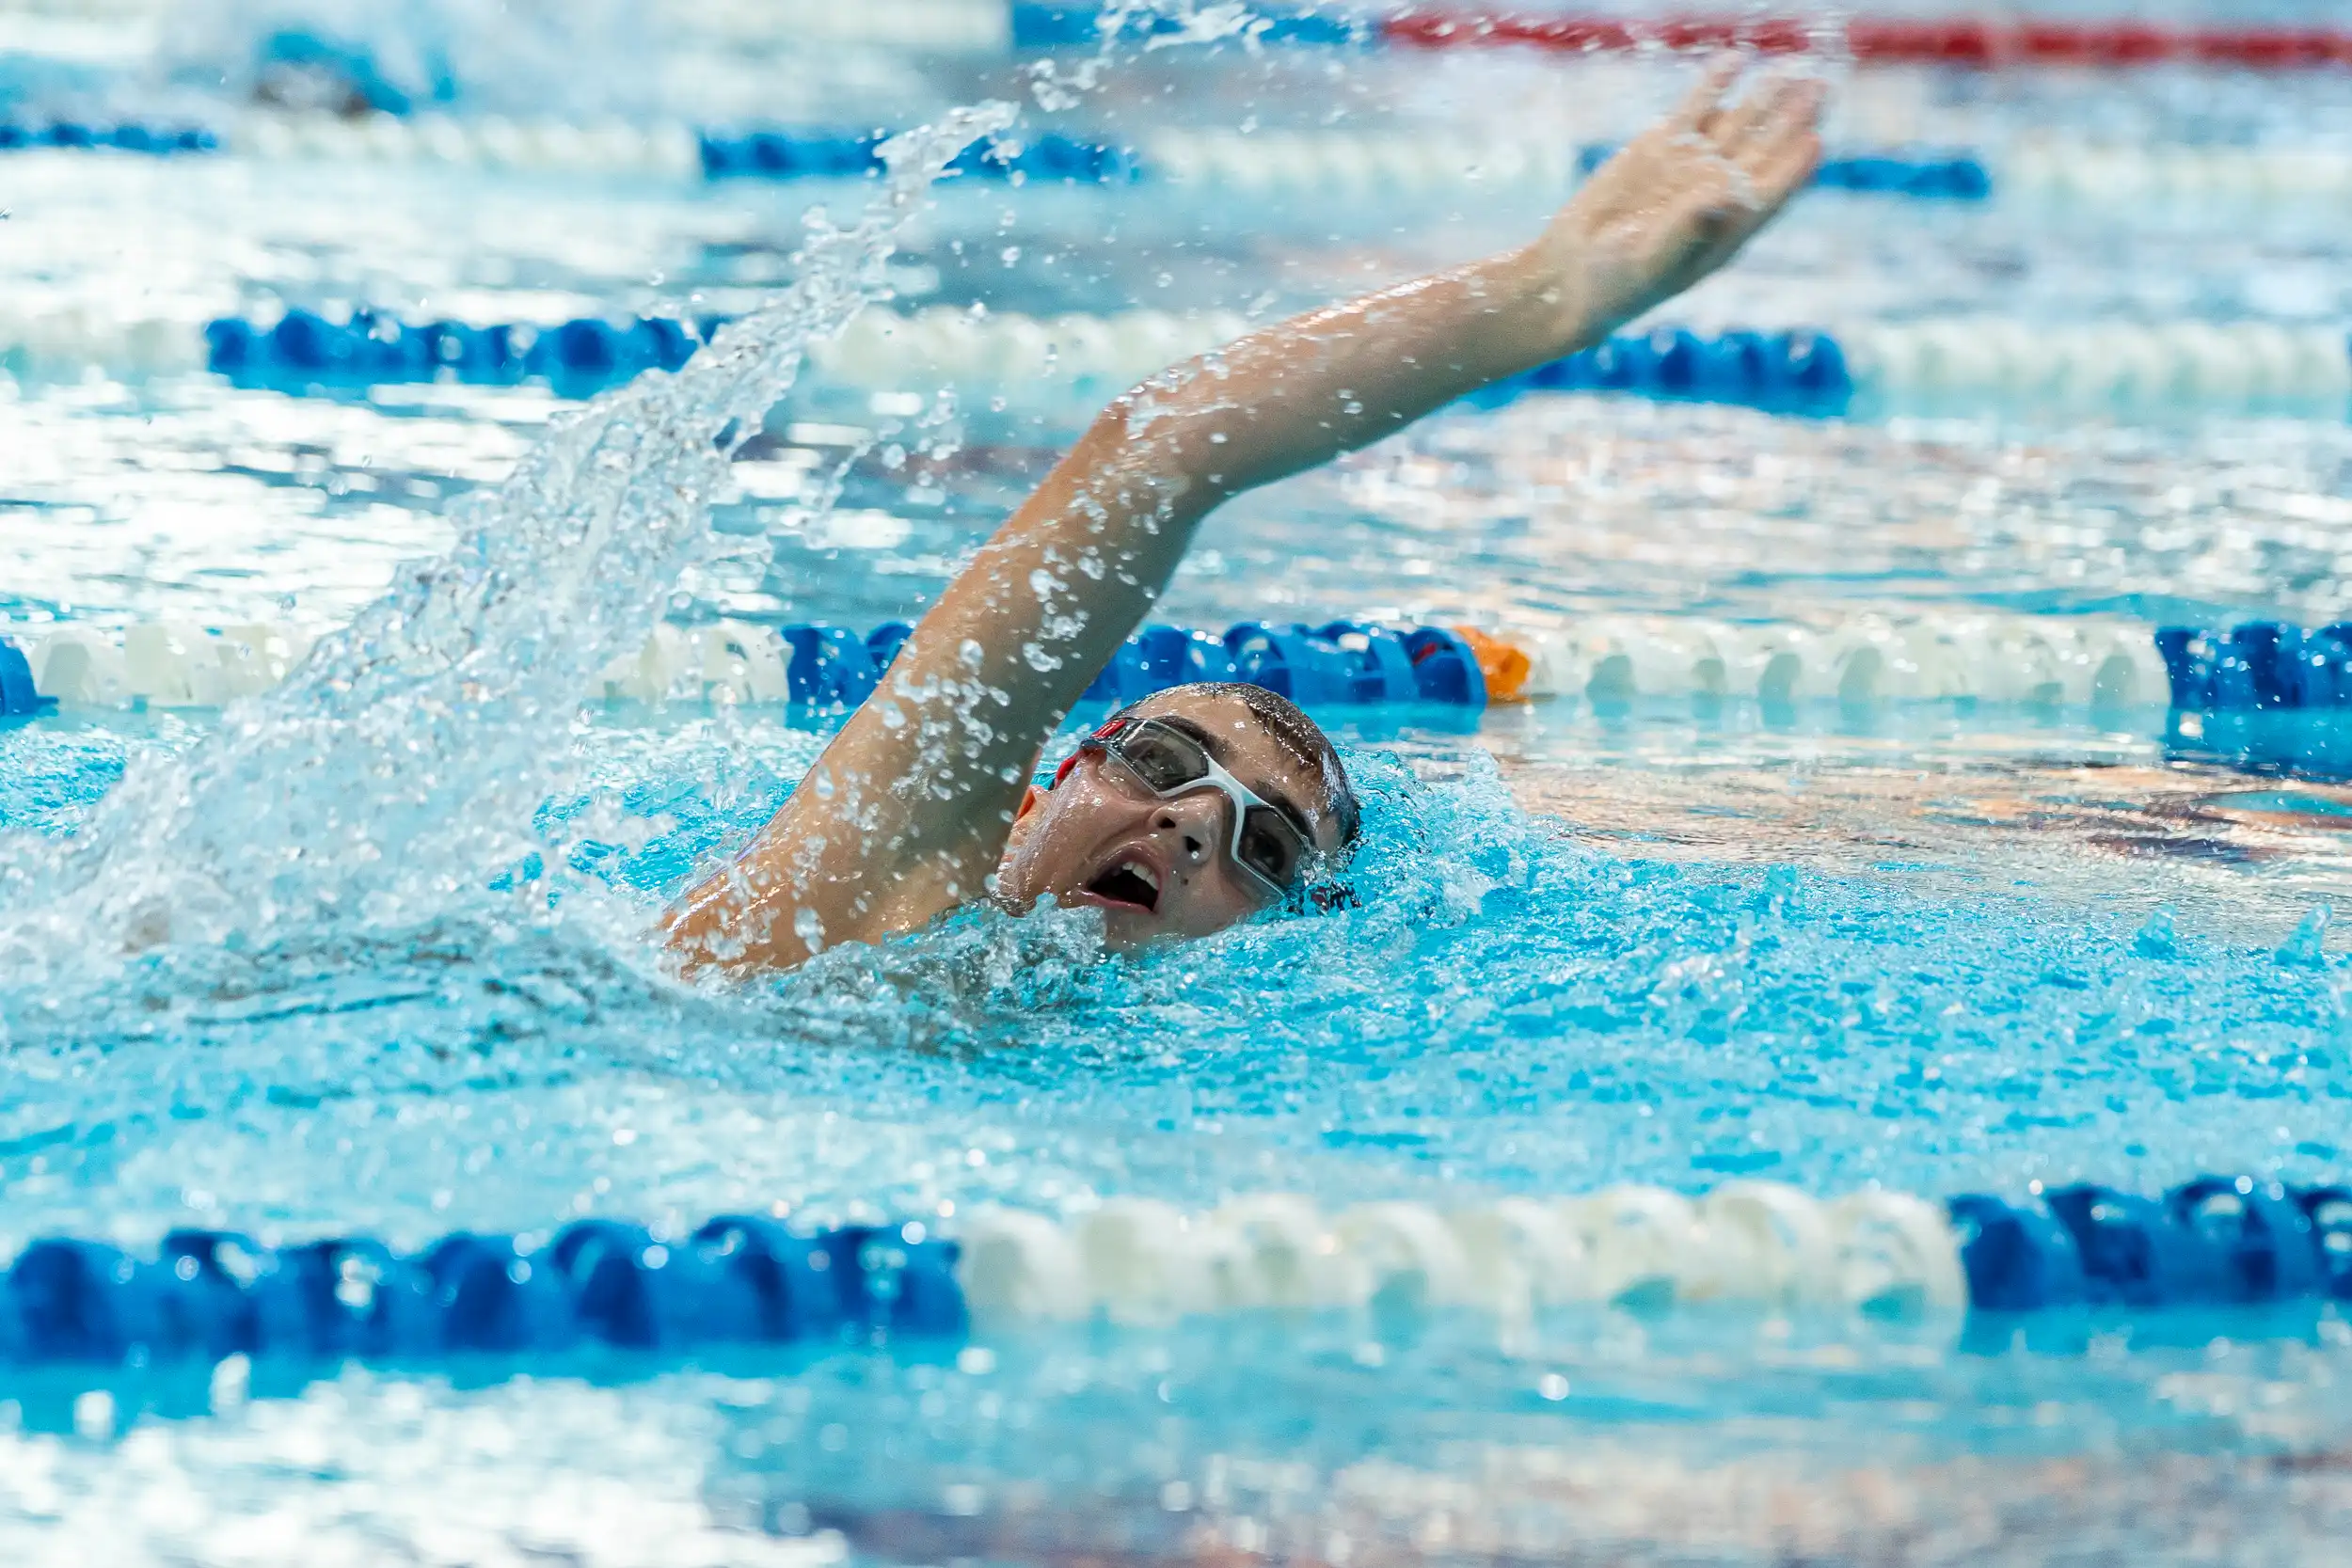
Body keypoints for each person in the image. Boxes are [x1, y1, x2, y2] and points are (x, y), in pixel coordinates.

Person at [664, 61, 1825, 976]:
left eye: (1263, 848)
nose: (1191, 826)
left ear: (1268, 942)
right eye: (1164, 760)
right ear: (1039, 788)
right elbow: (1151, 454)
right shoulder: (862, 893)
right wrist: (1539, 296)